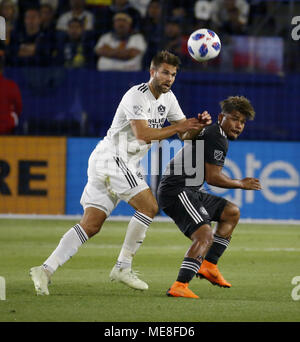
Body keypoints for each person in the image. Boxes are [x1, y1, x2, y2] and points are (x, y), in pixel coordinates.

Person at [30, 50, 212, 295]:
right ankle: (123, 266)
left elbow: (184, 134)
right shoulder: (136, 96)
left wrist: (197, 126)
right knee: (148, 207)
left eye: (173, 74)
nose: (169, 78)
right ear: (152, 72)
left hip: (120, 162)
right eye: (165, 73)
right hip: (113, 158)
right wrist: (179, 126)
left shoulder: (169, 99)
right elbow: (143, 134)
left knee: (91, 225)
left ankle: (45, 269)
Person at [157, 95, 261, 298]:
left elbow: (186, 137)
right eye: (234, 119)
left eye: (242, 122)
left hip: (191, 190)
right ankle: (180, 285)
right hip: (177, 190)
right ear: (221, 117)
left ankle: (209, 265)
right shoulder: (216, 135)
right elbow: (213, 178)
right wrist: (241, 183)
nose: (238, 125)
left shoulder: (214, 132)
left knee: (231, 212)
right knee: (204, 236)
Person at [0, 56, 22, 134]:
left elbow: (19, 108)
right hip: (7, 129)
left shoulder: (10, 85)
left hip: (7, 128)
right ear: (2, 69)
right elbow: (19, 108)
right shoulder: (11, 85)